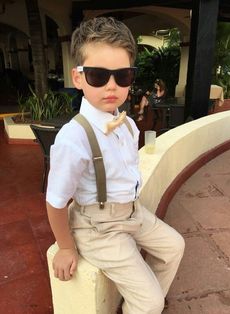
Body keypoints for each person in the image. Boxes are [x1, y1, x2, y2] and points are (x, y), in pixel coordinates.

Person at [46, 17, 185, 314]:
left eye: (122, 75)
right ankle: (147, 304)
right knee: (150, 302)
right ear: (78, 77)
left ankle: (144, 304)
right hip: (98, 228)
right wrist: (66, 247)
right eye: (98, 75)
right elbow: (55, 201)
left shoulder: (126, 124)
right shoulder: (74, 138)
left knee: (175, 247)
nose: (112, 86)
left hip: (131, 212)